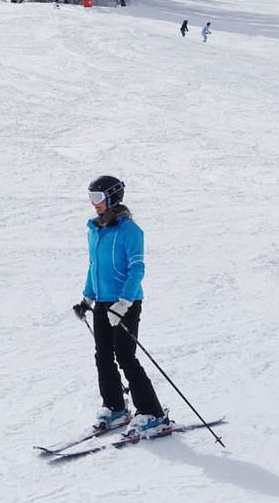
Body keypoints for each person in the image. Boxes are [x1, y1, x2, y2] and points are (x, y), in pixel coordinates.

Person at [72, 175, 168, 435]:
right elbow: (94, 267)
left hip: (126, 302)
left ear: (112, 197)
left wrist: (123, 303)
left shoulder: (130, 231)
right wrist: (87, 298)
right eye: (91, 197)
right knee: (102, 355)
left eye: (98, 198)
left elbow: (137, 269)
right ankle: (114, 406)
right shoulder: (96, 230)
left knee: (126, 356)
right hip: (103, 302)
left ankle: (153, 413)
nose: (94, 204)